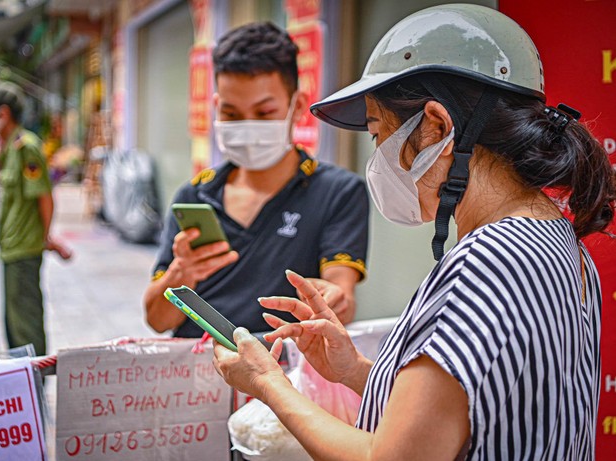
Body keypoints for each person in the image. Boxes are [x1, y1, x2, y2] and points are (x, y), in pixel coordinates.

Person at [213, 4, 615, 460]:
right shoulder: (558, 242)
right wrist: (355, 370)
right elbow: (463, 412)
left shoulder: (490, 261)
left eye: (377, 132)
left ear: (436, 128)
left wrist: (268, 383)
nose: (377, 157)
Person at [143, 22, 370, 338]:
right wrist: (182, 274)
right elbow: (157, 320)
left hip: (282, 375)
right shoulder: (194, 196)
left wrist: (332, 299)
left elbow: (340, 294)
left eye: (264, 113)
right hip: (195, 378)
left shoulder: (338, 193)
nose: (248, 128)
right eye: (232, 115)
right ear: (216, 108)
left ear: (297, 106)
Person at [0, 81, 72, 355]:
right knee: (12, 326)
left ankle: (34, 387)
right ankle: (22, 385)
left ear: (3, 113)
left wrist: (45, 237)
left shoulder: (26, 147)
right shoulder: (8, 147)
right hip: (10, 247)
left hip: (24, 250)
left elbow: (45, 198)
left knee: (26, 328)